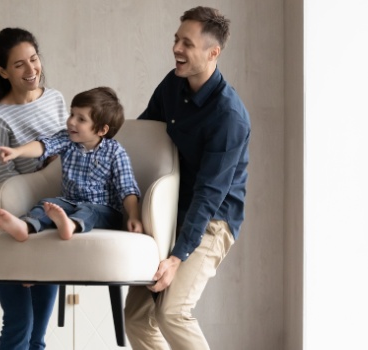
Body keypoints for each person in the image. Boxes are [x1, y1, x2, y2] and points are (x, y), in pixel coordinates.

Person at [124, 6, 251, 350]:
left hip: (211, 220)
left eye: (187, 44)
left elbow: (208, 196)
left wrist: (176, 258)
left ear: (213, 53)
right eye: (176, 39)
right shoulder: (173, 84)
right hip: (167, 213)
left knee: (173, 313)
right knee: (136, 318)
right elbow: (143, 135)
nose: (176, 48)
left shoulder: (229, 117)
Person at [0, 27, 68, 350]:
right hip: (8, 225)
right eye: (19, 64)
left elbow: (71, 153)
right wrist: (23, 247)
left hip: (47, 223)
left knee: (38, 334)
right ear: (3, 71)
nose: (31, 69)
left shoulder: (56, 99)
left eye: (33, 59)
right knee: (19, 324)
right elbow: (4, 186)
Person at [0, 87, 143, 242]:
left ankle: (71, 225)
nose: (71, 121)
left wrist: (134, 216)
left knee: (89, 210)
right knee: (46, 205)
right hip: (69, 203)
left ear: (101, 130)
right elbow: (44, 146)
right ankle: (25, 226)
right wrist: (17, 151)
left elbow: (127, 188)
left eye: (81, 119)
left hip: (104, 210)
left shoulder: (115, 152)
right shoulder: (67, 140)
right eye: (72, 114)